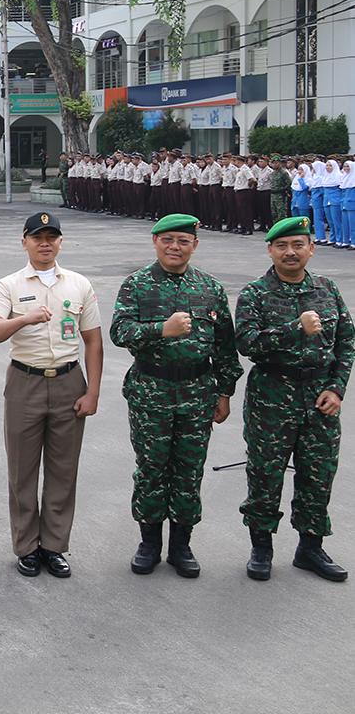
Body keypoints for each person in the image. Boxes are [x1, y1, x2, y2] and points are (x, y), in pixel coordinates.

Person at [108, 214, 241, 577]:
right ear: (155, 242)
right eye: (167, 239)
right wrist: (160, 330)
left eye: (183, 240)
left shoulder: (210, 288)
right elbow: (119, 332)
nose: (174, 247)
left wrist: (225, 391)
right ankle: (149, 541)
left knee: (189, 470)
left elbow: (225, 346)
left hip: (198, 392)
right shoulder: (137, 284)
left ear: (195, 245)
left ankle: (181, 544)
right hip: (152, 391)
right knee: (151, 468)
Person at [0, 212, 104, 578]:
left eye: (52, 237)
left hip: (69, 382)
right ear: (25, 242)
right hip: (25, 382)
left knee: (63, 470)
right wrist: (23, 319)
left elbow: (93, 341)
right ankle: (26, 547)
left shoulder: (79, 284)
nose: (45, 243)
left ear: (61, 242)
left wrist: (93, 391)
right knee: (23, 470)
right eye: (37, 237)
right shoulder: (9, 285)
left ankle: (53, 546)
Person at [234, 215, 352, 582]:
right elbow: (247, 342)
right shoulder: (256, 293)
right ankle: (262, 548)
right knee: (265, 474)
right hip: (272, 397)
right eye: (282, 246)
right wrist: (294, 329)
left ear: (310, 249)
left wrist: (337, 388)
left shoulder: (327, 289)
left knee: (318, 475)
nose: (290, 252)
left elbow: (346, 342)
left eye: (298, 245)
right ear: (270, 250)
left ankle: (310, 548)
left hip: (320, 397)